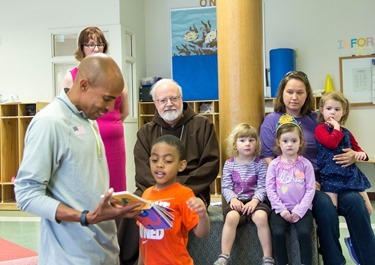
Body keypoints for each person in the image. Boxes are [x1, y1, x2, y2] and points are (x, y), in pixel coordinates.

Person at [14, 54, 141, 265]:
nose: (110, 108)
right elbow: (26, 194)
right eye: (107, 98)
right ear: (83, 85)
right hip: (69, 257)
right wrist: (83, 216)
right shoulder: (50, 122)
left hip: (104, 250)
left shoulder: (89, 118)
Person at [260, 70, 375, 265]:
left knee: (356, 202)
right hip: (297, 185)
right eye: (290, 92)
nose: (294, 97)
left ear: (307, 95)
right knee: (325, 207)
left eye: (300, 92)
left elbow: (338, 140)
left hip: (330, 178)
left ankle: (369, 259)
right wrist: (303, 182)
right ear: (282, 94)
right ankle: (334, 260)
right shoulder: (272, 120)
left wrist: (352, 155)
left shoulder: (316, 119)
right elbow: (268, 157)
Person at [118, 78, 219, 265]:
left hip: (192, 189)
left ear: (182, 98)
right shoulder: (146, 131)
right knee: (129, 210)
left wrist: (176, 190)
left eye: (173, 98)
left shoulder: (202, 125)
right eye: (162, 100)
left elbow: (210, 164)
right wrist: (162, 189)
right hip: (152, 188)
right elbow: (142, 169)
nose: (169, 104)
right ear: (155, 103)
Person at [61, 26, 128, 192]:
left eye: (100, 44)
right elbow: (66, 113)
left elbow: (124, 111)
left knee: (117, 191)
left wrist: (110, 126)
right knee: (91, 189)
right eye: (90, 44)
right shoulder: (72, 76)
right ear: (82, 48)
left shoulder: (116, 74)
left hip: (115, 143)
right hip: (86, 141)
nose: (96, 48)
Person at [138, 135, 210, 265]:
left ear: (181, 165)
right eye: (155, 160)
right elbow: (143, 239)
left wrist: (202, 215)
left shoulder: (184, 194)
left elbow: (202, 233)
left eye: (168, 161)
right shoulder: (146, 194)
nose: (159, 165)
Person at [214, 123, 274, 265]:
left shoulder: (259, 164)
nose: (247, 144)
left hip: (256, 201)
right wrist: (233, 199)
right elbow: (226, 187)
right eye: (242, 140)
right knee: (231, 217)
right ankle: (224, 255)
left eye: (251, 140)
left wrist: (255, 201)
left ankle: (267, 257)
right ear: (235, 145)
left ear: (256, 143)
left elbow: (263, 186)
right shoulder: (230, 164)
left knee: (261, 217)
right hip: (237, 201)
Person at [266, 114, 316, 265]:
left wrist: (300, 210)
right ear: (278, 142)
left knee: (304, 232)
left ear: (300, 142)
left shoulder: (305, 164)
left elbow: (310, 188)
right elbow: (270, 188)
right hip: (280, 209)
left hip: (302, 208)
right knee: (278, 233)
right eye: (285, 141)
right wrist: (281, 210)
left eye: (294, 141)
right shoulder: (274, 165)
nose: (289, 144)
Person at [315, 91, 372, 214]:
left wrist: (362, 154)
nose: (332, 112)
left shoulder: (346, 132)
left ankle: (356, 233)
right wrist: (336, 127)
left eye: (337, 109)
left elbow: (357, 148)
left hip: (350, 175)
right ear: (321, 110)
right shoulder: (320, 129)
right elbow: (331, 143)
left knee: (368, 209)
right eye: (328, 108)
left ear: (343, 112)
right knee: (331, 211)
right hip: (330, 176)